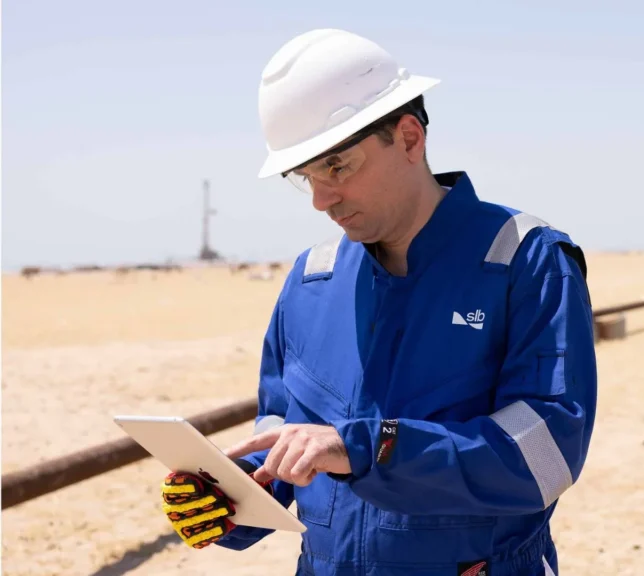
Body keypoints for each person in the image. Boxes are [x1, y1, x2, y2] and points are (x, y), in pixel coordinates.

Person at [159, 28, 598, 576]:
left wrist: (369, 449)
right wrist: (232, 496)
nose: (321, 199)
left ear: (409, 138)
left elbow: (547, 454)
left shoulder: (523, 259)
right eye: (305, 177)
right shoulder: (311, 281)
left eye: (337, 166)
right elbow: (283, 433)